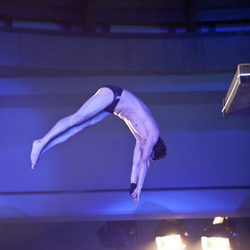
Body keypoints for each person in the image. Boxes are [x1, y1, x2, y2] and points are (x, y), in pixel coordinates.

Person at [30, 85, 167, 202]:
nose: (145, 152)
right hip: (114, 95)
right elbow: (144, 162)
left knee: (81, 126)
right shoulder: (153, 133)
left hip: (114, 107)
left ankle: (44, 148)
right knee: (77, 119)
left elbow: (136, 163)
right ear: (154, 145)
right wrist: (140, 188)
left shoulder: (141, 138)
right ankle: (41, 142)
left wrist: (133, 185)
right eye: (149, 152)